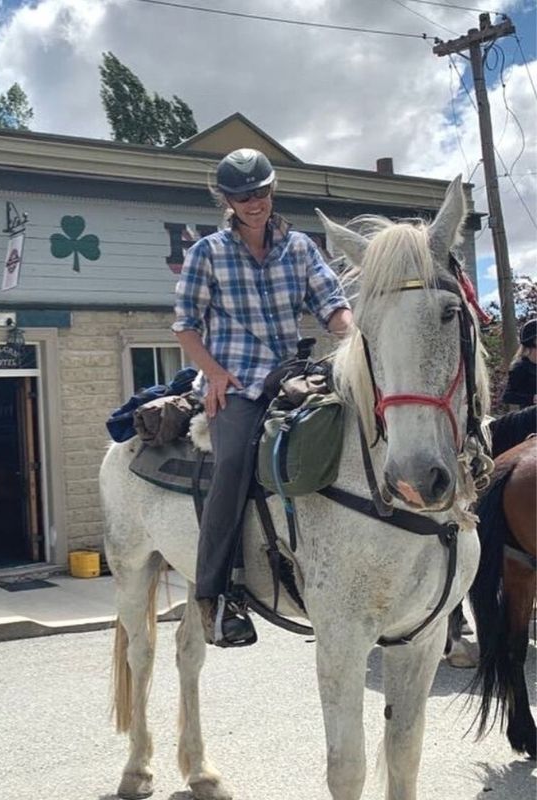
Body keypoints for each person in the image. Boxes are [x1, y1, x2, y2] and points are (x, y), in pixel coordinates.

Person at [172, 148, 353, 647]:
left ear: (273, 191)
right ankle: (217, 594)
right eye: (242, 195)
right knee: (232, 465)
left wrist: (353, 335)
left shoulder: (300, 248)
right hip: (236, 381)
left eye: (262, 192)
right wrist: (213, 374)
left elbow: (332, 305)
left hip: (294, 373)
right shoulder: (206, 252)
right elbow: (186, 327)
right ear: (227, 200)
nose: (254, 203)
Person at [502, 318, 537, 409]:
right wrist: (532, 398)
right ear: (533, 341)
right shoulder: (520, 367)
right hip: (530, 418)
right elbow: (507, 396)